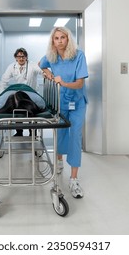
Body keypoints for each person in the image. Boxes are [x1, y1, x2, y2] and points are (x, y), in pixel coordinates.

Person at [39, 27, 88, 199]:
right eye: (56, 38)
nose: (59, 41)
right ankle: (59, 161)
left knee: (74, 135)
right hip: (60, 102)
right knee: (59, 133)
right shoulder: (51, 56)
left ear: (68, 39)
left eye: (62, 37)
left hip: (77, 101)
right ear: (53, 41)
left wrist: (64, 83)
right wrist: (50, 76)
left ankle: (74, 179)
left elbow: (80, 83)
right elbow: (41, 65)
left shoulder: (78, 55)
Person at [0, 48, 42, 136]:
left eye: (23, 56)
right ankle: (19, 132)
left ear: (26, 57)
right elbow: (3, 81)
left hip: (31, 93)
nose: (21, 58)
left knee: (31, 110)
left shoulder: (32, 65)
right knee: (17, 109)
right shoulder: (12, 67)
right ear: (15, 57)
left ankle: (32, 133)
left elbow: (40, 71)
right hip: (20, 93)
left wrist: (45, 72)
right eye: (19, 56)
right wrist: (1, 97)